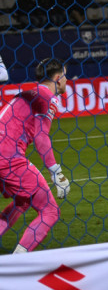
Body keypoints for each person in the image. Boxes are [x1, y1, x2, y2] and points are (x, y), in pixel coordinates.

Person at [0, 59, 70, 253]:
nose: (67, 80)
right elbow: (41, 136)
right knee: (50, 210)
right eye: (65, 76)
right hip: (7, 157)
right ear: (57, 79)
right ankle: (17, 265)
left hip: (3, 154)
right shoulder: (47, 98)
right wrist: (56, 172)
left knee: (22, 201)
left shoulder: (28, 93)